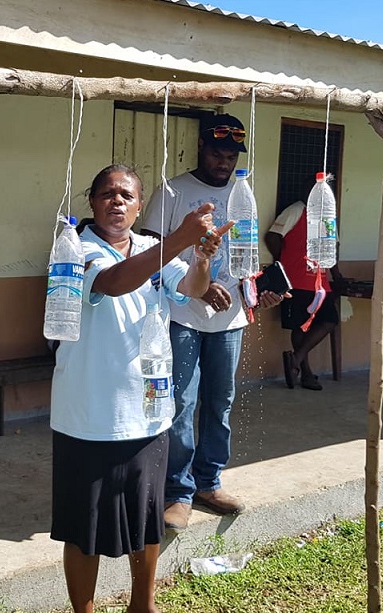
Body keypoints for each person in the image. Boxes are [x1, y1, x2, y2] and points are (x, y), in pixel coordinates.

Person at [49, 164, 225, 613]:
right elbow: (111, 283)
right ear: (92, 202)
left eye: (126, 195)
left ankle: (142, 606)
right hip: (87, 415)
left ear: (139, 205)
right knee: (83, 528)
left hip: (147, 411)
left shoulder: (151, 247)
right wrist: (182, 240)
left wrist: (202, 259)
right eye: (107, 193)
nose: (117, 202)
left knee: (147, 522)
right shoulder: (75, 248)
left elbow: (189, 289)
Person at [141, 112, 283, 532]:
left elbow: (245, 259)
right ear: (201, 148)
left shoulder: (244, 194)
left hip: (231, 319)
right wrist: (197, 287)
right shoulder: (172, 192)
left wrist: (259, 292)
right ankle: (177, 491)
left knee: (219, 402)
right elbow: (148, 254)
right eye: (217, 153)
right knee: (181, 403)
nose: (224, 162)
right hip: (181, 315)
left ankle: (209, 481)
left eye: (231, 155)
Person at [265, 187, 349, 390]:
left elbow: (331, 249)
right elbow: (273, 236)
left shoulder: (327, 216)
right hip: (295, 280)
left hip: (320, 282)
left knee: (330, 320)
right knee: (300, 326)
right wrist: (282, 262)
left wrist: (336, 276)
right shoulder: (296, 210)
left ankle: (296, 359)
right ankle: (307, 373)